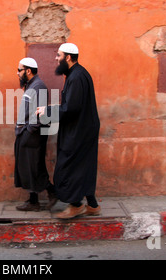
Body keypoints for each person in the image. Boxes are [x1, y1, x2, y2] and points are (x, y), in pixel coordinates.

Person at [36, 43, 101, 219]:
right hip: (83, 128)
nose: (56, 59)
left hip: (79, 131)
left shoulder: (76, 77)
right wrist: (51, 108)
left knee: (69, 166)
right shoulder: (77, 73)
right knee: (84, 166)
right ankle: (93, 205)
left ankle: (76, 205)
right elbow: (72, 104)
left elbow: (71, 108)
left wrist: (47, 111)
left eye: (59, 55)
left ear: (69, 58)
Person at [14, 58, 57, 212]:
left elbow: (40, 113)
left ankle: (52, 192)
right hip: (26, 132)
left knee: (34, 167)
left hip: (33, 134)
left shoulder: (38, 87)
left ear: (28, 71)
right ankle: (33, 201)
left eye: (19, 70)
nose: (17, 73)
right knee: (27, 168)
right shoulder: (31, 86)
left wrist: (29, 130)